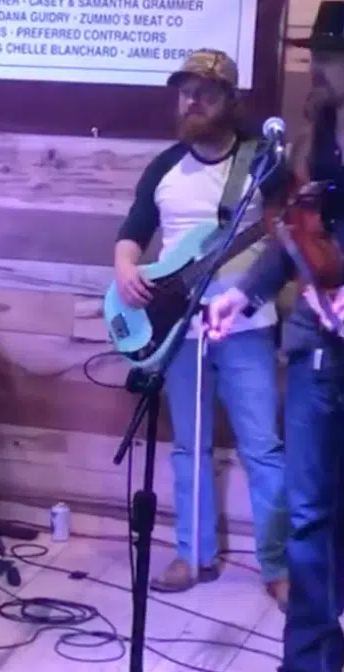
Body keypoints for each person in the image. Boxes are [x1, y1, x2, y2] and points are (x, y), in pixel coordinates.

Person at [112, 49, 288, 608]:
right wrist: (125, 269)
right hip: (179, 328)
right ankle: (193, 554)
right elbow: (133, 232)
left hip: (247, 323)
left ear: (230, 101)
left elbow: (286, 239)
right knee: (190, 446)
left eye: (205, 93)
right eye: (185, 92)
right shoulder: (164, 166)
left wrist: (245, 291)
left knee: (263, 447)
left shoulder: (263, 163)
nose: (191, 102)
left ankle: (278, 566)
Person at [207, 4, 344, 668]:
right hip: (317, 347)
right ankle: (310, 659)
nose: (326, 68)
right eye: (323, 56)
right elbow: (294, 236)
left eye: (334, 55)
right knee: (310, 513)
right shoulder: (315, 138)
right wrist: (243, 293)